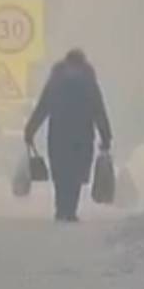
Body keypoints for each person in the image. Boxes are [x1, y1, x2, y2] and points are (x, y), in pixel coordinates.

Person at [24, 48, 113, 223]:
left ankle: (61, 208)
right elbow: (98, 109)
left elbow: (43, 107)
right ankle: (70, 209)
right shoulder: (88, 81)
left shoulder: (56, 80)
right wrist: (106, 136)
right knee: (76, 173)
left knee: (61, 172)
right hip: (82, 134)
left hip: (58, 133)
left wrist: (30, 130)